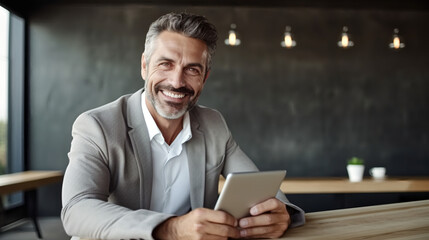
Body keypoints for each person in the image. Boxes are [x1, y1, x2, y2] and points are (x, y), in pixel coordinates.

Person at [61, 12, 305, 240]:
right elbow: (76, 209)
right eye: (165, 64)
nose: (177, 82)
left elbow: (258, 186)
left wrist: (279, 213)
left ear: (205, 78)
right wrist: (171, 228)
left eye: (192, 69)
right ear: (144, 66)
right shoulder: (97, 126)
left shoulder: (214, 124)